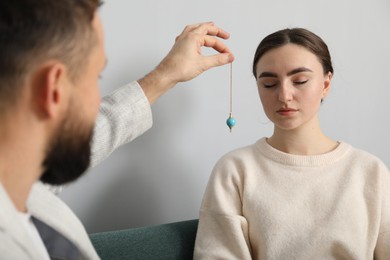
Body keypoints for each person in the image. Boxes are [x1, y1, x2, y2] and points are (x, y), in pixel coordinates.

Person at [0, 0, 234, 259]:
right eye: (96, 76)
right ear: (54, 89)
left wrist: (165, 75)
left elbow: (99, 130)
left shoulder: (21, 184)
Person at [194, 28, 390, 259]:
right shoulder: (235, 170)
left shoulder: (369, 171)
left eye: (300, 81)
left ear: (326, 84)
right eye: (269, 84)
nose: (284, 96)